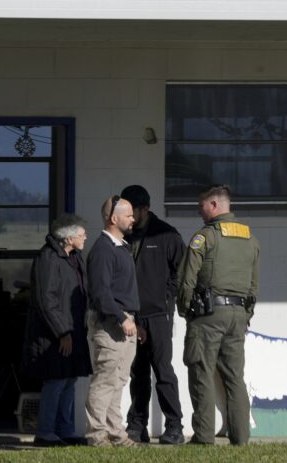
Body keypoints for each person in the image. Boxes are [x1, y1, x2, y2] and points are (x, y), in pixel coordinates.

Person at [177, 184, 260, 445]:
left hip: (208, 314)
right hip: (237, 315)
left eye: (201, 206)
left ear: (214, 205)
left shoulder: (205, 237)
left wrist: (185, 309)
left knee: (201, 371)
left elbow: (187, 278)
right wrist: (246, 315)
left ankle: (203, 438)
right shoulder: (250, 239)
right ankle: (241, 439)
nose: (199, 211)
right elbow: (253, 284)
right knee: (234, 377)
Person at [119, 185, 186, 445]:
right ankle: (136, 425)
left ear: (145, 209)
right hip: (130, 316)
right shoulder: (123, 236)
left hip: (158, 315)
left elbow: (181, 272)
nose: (128, 217)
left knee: (163, 372)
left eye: (131, 211)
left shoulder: (167, 235)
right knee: (138, 373)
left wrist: (166, 297)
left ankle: (174, 426)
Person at [22, 214, 91, 447]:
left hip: (73, 330)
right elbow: (46, 299)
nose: (85, 237)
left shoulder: (74, 258)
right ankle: (45, 432)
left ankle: (64, 429)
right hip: (53, 335)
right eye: (81, 234)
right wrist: (63, 332)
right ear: (68, 237)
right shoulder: (48, 258)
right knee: (56, 381)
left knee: (70, 380)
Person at [85, 196, 140, 447]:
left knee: (118, 381)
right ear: (113, 218)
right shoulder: (103, 249)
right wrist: (121, 318)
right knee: (105, 380)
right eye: (128, 215)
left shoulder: (121, 247)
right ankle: (96, 435)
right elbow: (100, 292)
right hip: (111, 324)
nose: (133, 219)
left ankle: (115, 433)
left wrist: (132, 320)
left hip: (125, 322)